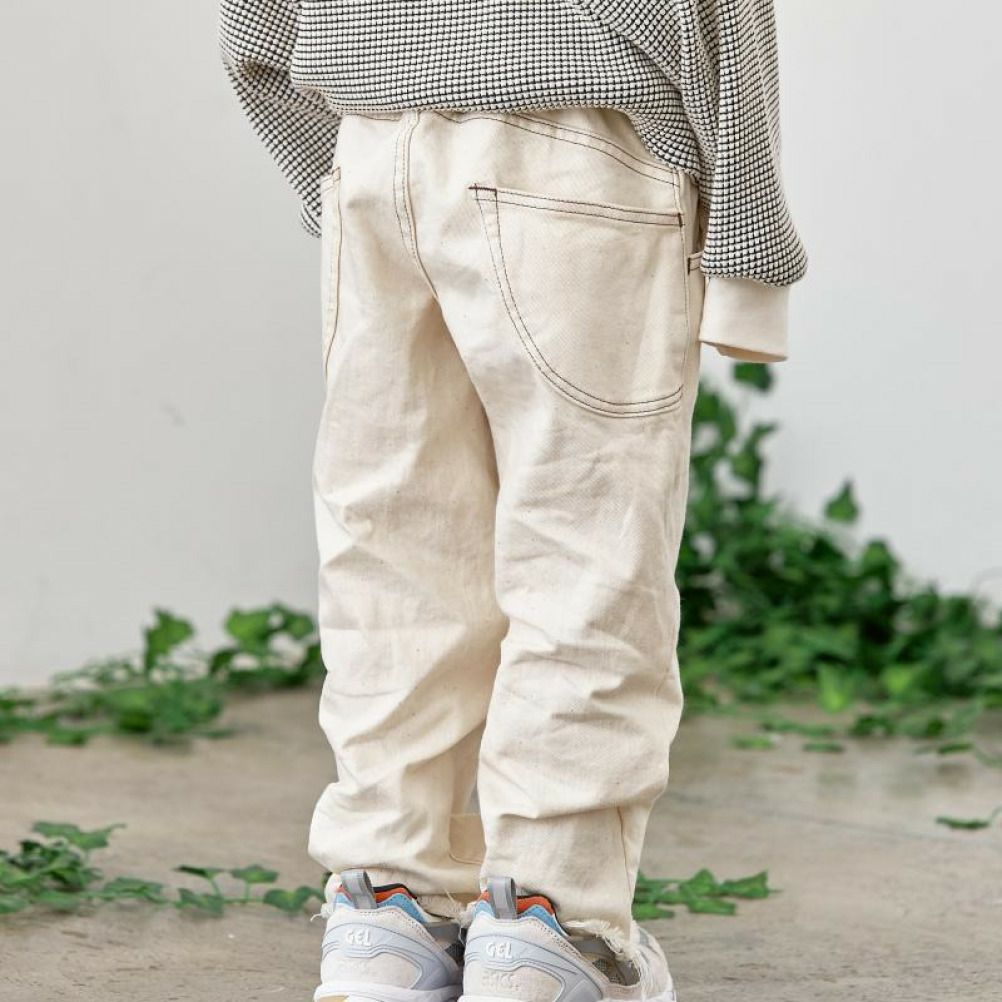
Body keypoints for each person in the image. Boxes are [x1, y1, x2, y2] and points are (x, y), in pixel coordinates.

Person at [219, 4, 806, 1001]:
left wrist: (340, 154)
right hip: (574, 148)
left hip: (375, 149)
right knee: (585, 552)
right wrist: (751, 243)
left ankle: (386, 905)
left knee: (395, 549)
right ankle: (551, 921)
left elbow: (256, 23)